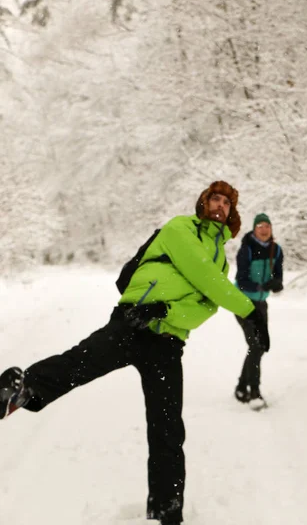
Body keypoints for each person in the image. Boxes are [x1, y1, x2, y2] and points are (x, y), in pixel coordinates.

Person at [0, 181, 258, 525]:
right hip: (132, 323)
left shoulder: (222, 266)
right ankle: (22, 390)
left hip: (167, 345)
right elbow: (202, 275)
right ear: (203, 202)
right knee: (81, 361)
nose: (220, 205)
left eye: (227, 202)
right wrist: (248, 310)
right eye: (216, 197)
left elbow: (207, 306)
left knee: (167, 430)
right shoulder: (180, 227)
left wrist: (165, 311)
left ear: (232, 212)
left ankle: (167, 509)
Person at [233, 213, 284, 410]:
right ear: (254, 229)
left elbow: (278, 275)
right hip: (243, 302)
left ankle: (240, 386)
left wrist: (276, 284)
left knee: (259, 346)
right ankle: (254, 392)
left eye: (267, 226)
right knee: (256, 345)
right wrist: (263, 286)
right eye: (260, 226)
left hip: (261, 305)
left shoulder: (276, 250)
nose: (264, 229)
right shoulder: (246, 250)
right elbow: (243, 280)